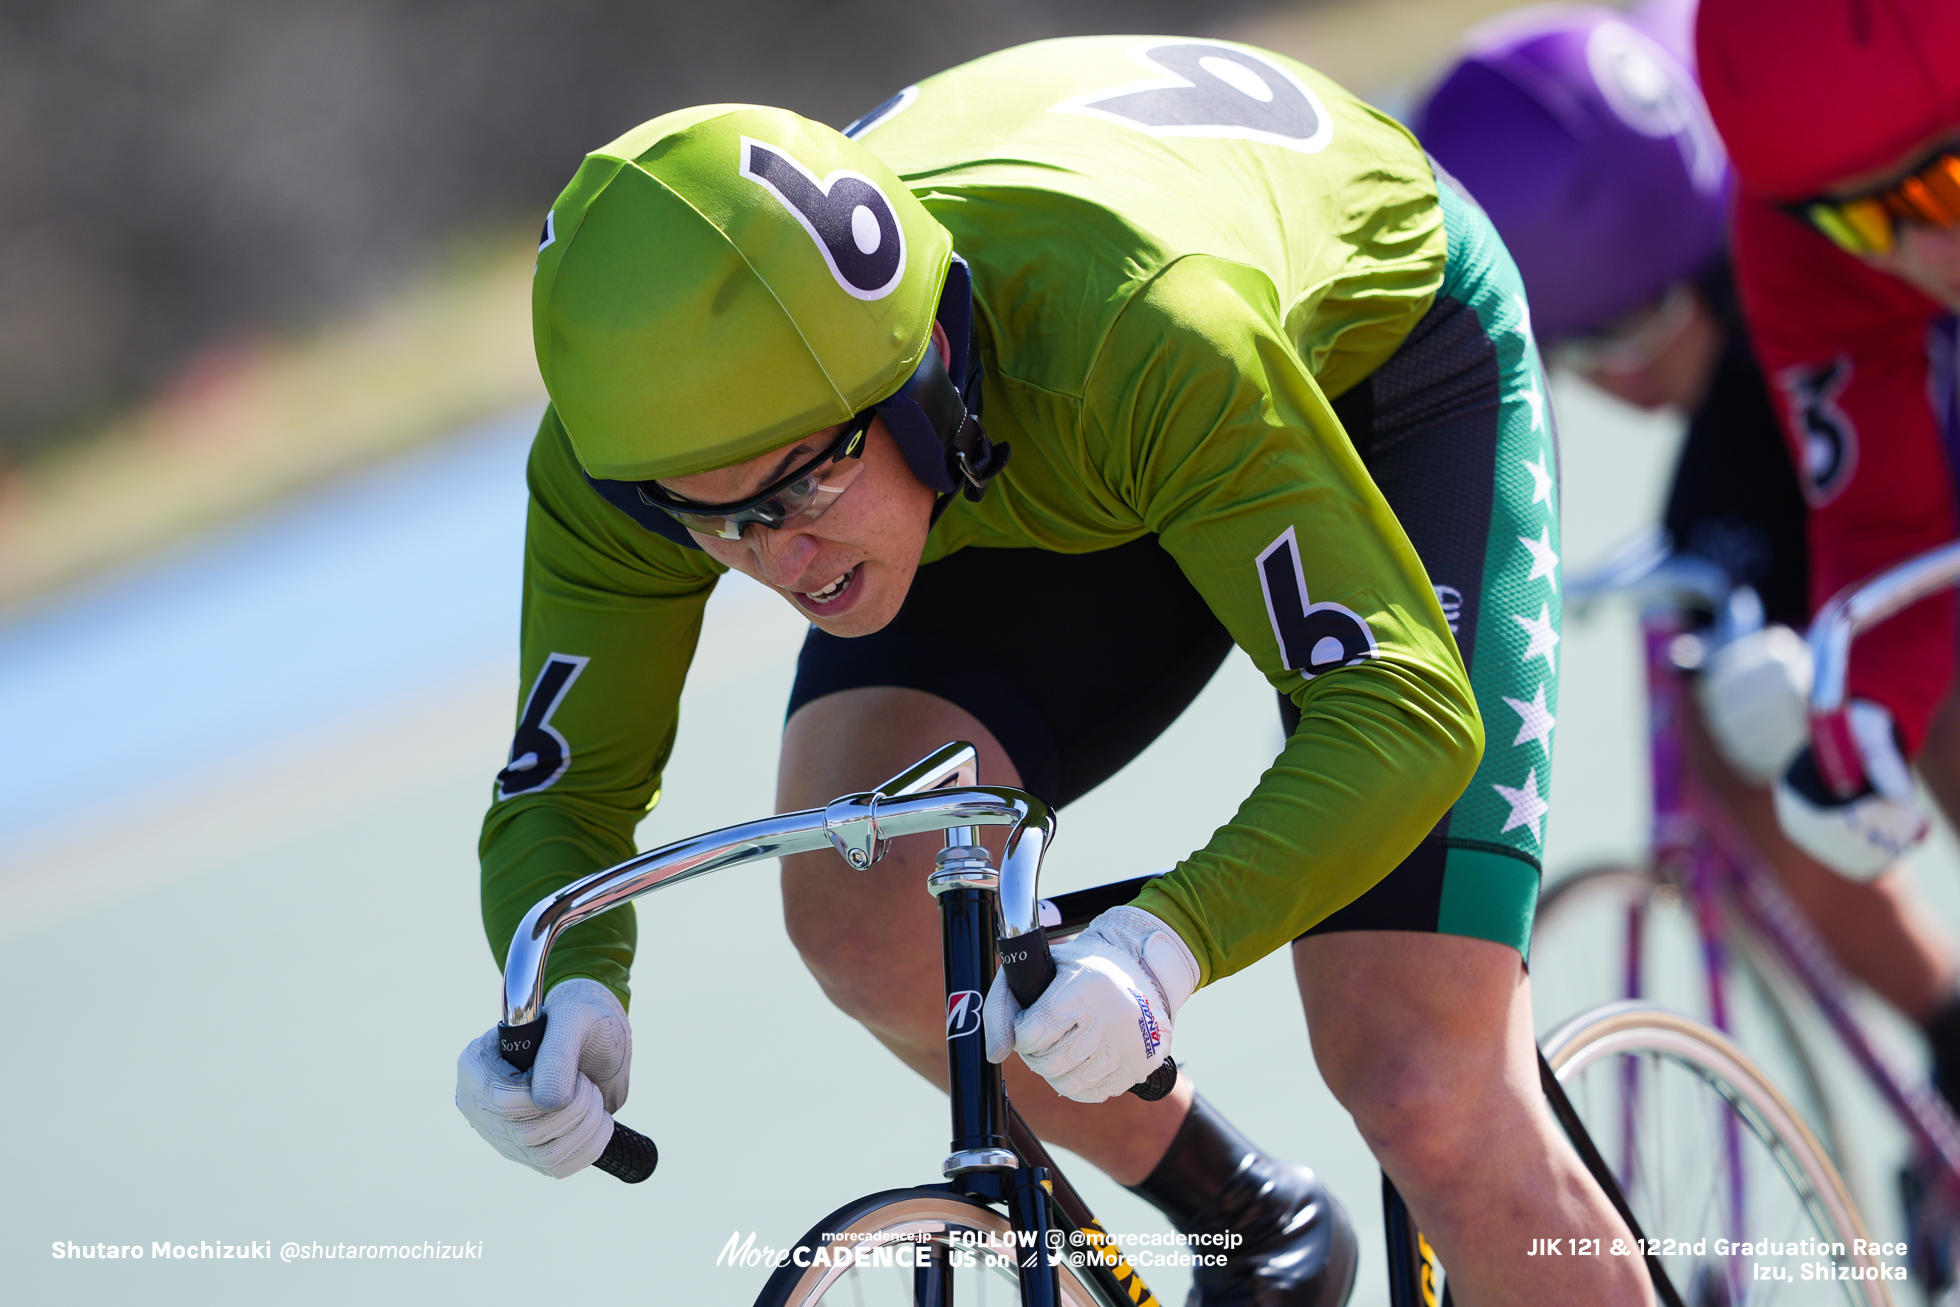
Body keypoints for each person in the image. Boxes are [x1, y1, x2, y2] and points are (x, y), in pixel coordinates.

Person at [453, 36, 1652, 1304]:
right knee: (870, 917)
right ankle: (1249, 1221)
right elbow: (561, 794)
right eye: (710, 519)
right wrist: (567, 976)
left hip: (1349, 367)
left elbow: (1403, 709)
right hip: (1028, 453)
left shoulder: (1141, 328)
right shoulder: (632, 454)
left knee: (1421, 1077)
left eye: (804, 482)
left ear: (917, 371)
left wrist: (1163, 942)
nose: (781, 559)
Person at [1417, 1, 1960, 1119]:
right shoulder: (1792, 209)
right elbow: (1884, 527)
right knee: (1771, 723)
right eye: (1567, 356)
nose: (1925, 256)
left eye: (1616, 336)